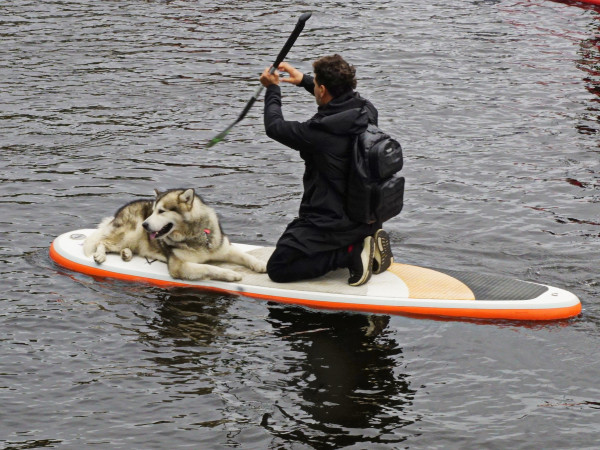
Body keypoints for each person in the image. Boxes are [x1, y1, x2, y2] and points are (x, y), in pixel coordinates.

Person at [259, 54, 393, 286]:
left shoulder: (317, 133)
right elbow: (338, 98)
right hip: (366, 216)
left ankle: (350, 254)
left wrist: (272, 89)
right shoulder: (366, 111)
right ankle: (365, 239)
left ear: (322, 89)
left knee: (279, 268)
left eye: (317, 86)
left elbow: (274, 127)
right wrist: (303, 80)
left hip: (330, 222)